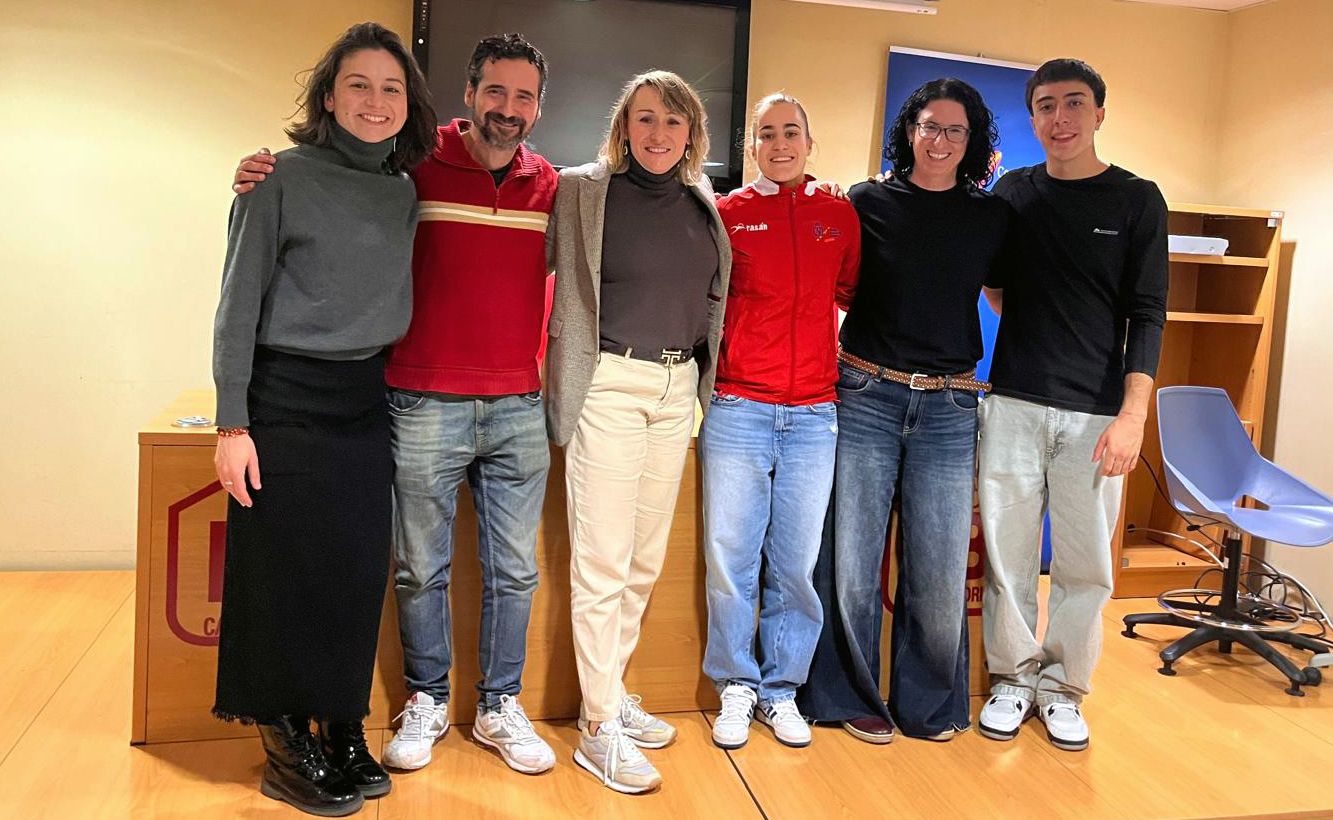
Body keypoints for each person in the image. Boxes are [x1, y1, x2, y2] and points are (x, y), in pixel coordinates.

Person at [232, 34, 561, 777]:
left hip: (516, 404)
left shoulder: (554, 187)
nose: (508, 110)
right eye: (495, 93)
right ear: (467, 94)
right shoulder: (410, 168)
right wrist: (258, 171)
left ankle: (501, 705)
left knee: (515, 570)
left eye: (524, 97)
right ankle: (427, 698)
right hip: (419, 401)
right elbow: (326, 177)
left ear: (540, 107)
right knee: (419, 568)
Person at [211, 22, 435, 817]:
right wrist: (231, 424)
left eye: (391, 88)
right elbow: (236, 305)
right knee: (281, 573)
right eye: (358, 85)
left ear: (409, 105)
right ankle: (281, 738)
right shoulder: (276, 177)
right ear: (328, 96)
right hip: (284, 398)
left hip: (362, 398)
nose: (375, 102)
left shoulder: (405, 187)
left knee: (351, 573)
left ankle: (341, 724)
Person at [797, 78, 1012, 744]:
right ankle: (846, 698)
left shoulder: (990, 217)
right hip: (865, 393)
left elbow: (1006, 297)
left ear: (971, 141)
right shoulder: (864, 202)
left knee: (940, 570)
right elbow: (828, 277)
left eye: (954, 130)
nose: (939, 141)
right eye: (927, 125)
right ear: (907, 130)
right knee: (851, 564)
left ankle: (926, 706)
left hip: (948, 405)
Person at [545, 70, 731, 793]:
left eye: (673, 122)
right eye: (645, 119)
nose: (658, 134)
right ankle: (596, 728)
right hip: (609, 387)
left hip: (676, 386)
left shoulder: (701, 200)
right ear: (623, 126)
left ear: (692, 135)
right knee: (601, 561)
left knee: (642, 562)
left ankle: (610, 695)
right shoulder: (580, 191)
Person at [977, 58, 1167, 753]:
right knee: (1008, 557)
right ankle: (1012, 679)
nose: (1059, 118)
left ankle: (1063, 690)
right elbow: (996, 287)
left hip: (1094, 414)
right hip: (1013, 402)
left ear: (1098, 114)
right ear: (1032, 118)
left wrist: (1131, 415)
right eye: (1046, 106)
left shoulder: (1136, 200)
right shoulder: (1012, 192)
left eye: (1074, 104)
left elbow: (1147, 315)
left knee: (1085, 565)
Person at [703, 93, 860, 751]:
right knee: (730, 559)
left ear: (809, 142)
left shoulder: (838, 214)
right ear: (752, 147)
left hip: (814, 415)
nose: (779, 143)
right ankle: (735, 686)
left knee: (794, 563)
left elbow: (848, 292)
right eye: (766, 134)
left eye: (790, 131)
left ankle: (780, 690)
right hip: (738, 409)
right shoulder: (728, 214)